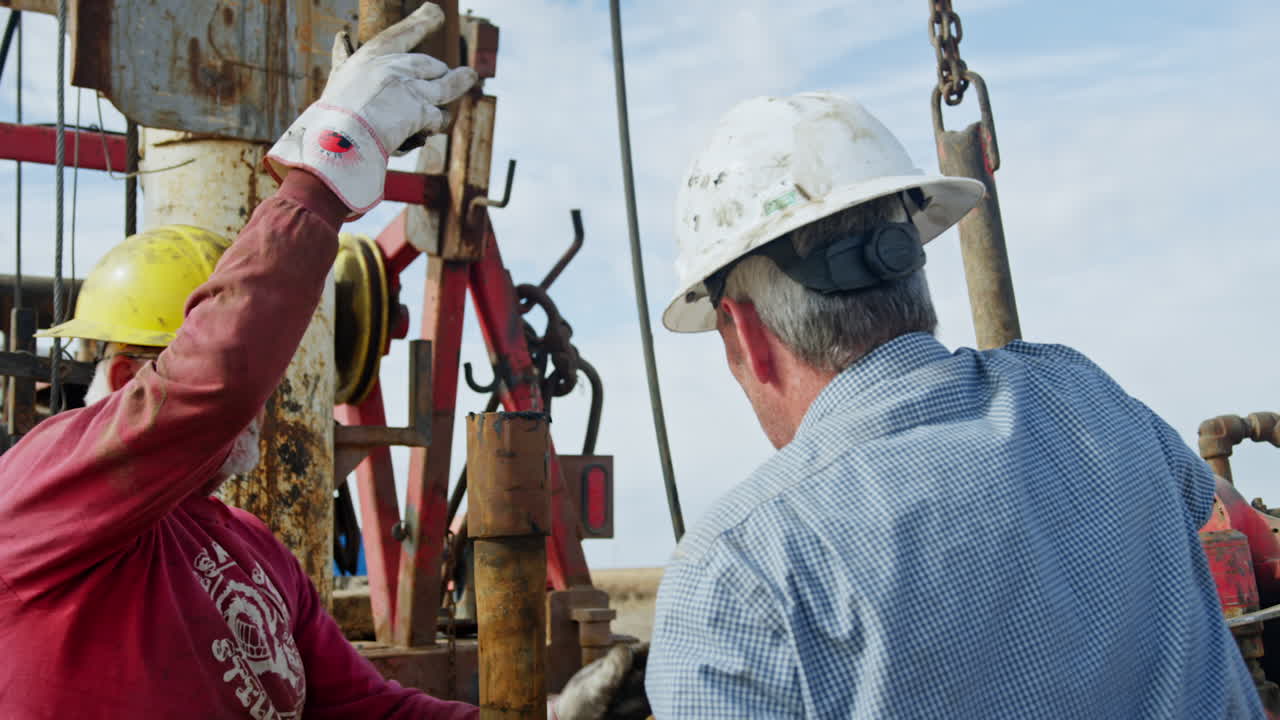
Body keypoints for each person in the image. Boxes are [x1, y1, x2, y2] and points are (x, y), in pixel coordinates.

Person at [644, 92, 1262, 718]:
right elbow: (1207, 510)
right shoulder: (1085, 395)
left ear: (744, 335)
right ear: (909, 265)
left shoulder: (738, 572)